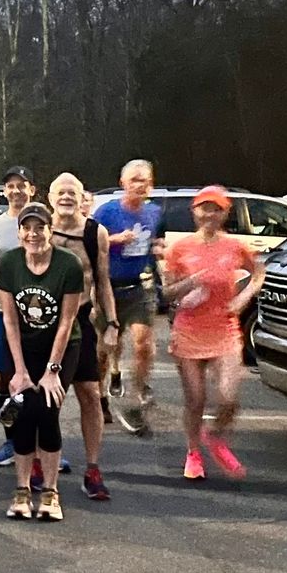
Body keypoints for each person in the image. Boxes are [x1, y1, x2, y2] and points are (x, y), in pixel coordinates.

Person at [163, 186, 264, 481]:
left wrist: (243, 299)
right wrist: (190, 282)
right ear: (194, 212)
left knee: (229, 398)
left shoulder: (234, 246)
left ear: (224, 213)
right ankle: (193, 452)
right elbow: (167, 293)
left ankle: (215, 437)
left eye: (216, 209)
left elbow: (258, 271)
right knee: (195, 400)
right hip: (190, 331)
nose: (210, 214)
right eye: (204, 208)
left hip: (224, 329)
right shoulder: (179, 249)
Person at [0, 203, 83, 521]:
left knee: (46, 410)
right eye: (27, 228)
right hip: (24, 347)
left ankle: (50, 492)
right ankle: (21, 491)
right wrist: (18, 370)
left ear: (50, 230)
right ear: (19, 232)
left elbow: (66, 321)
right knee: (22, 413)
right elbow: (9, 320)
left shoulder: (67, 265)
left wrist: (52, 371)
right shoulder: (8, 263)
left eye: (40, 227)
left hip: (61, 348)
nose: (33, 234)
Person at [48, 173, 119, 500]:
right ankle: (39, 463)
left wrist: (112, 324)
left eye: (72, 192)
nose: (66, 197)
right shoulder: (40, 229)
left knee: (89, 393)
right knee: (46, 398)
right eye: (60, 192)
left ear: (82, 197)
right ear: (50, 197)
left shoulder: (95, 233)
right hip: (45, 322)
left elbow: (102, 280)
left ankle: (92, 468)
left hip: (82, 320)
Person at [93, 159, 164, 436]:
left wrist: (159, 249)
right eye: (134, 180)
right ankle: (100, 396)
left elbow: (156, 241)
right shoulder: (107, 212)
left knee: (144, 343)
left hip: (139, 286)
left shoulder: (155, 213)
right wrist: (113, 240)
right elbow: (90, 243)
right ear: (123, 183)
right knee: (103, 348)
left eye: (144, 181)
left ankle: (136, 399)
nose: (140, 185)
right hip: (108, 287)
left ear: (151, 185)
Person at [0, 165, 37, 466]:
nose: (16, 191)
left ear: (32, 190)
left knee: (37, 377)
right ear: (4, 191)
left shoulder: (42, 224)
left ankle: (41, 446)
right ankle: (11, 441)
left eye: (22, 185)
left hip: (36, 314)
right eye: (10, 186)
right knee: (5, 378)